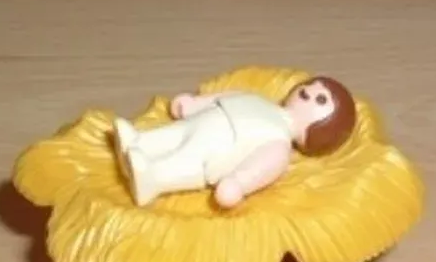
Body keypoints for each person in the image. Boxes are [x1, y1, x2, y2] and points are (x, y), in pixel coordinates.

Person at [112, 75, 357, 208]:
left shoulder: (279, 147)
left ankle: (152, 178)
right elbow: (229, 97)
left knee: (185, 162)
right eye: (312, 87)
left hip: (219, 153)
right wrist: (195, 104)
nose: (310, 92)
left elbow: (259, 168)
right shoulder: (260, 101)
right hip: (206, 120)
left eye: (321, 100)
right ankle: (139, 142)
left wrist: (238, 184)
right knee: (173, 134)